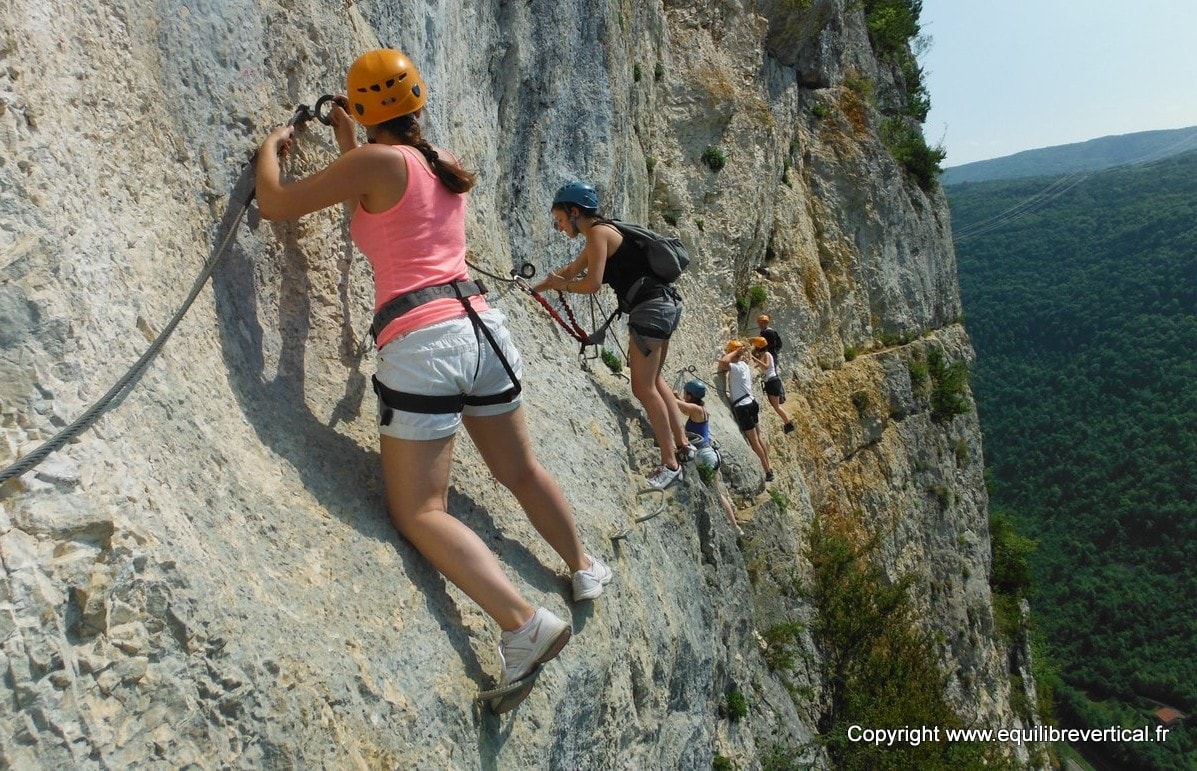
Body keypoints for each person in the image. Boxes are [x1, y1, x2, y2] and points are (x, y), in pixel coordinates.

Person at [255, 49, 611, 712]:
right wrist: (344, 137)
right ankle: (583, 567)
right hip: (482, 328)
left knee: (420, 509)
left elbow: (276, 202)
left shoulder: (374, 163)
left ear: (365, 111)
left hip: (425, 343)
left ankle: (522, 623)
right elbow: (379, 192)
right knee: (522, 468)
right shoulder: (435, 159)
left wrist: (269, 148)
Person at [534, 181, 692, 490]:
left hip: (650, 310)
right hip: (664, 305)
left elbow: (589, 284)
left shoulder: (597, 234)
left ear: (575, 211)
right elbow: (568, 271)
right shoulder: (603, 232)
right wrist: (533, 289)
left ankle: (670, 463)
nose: (558, 225)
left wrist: (560, 287)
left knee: (643, 388)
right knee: (656, 381)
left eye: (561, 219)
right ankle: (685, 446)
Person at [672, 380, 741, 536]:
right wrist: (678, 399)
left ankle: (718, 526)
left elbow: (676, 404)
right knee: (718, 493)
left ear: (689, 395)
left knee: (710, 493)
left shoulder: (695, 409)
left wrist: (673, 395)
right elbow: (684, 409)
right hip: (711, 454)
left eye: (686, 394)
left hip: (704, 456)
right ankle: (735, 527)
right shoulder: (702, 409)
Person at [717, 341, 773, 482]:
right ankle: (769, 466)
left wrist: (735, 352)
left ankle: (767, 472)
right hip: (751, 402)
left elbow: (723, 362)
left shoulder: (736, 367)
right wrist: (738, 353)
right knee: (759, 437)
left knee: (754, 441)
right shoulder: (744, 365)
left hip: (743, 407)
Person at [750, 336, 795, 433]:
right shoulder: (765, 354)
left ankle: (788, 424)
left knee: (776, 406)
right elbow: (760, 365)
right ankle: (788, 424)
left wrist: (754, 358)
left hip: (772, 382)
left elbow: (766, 366)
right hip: (772, 381)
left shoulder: (766, 354)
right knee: (775, 406)